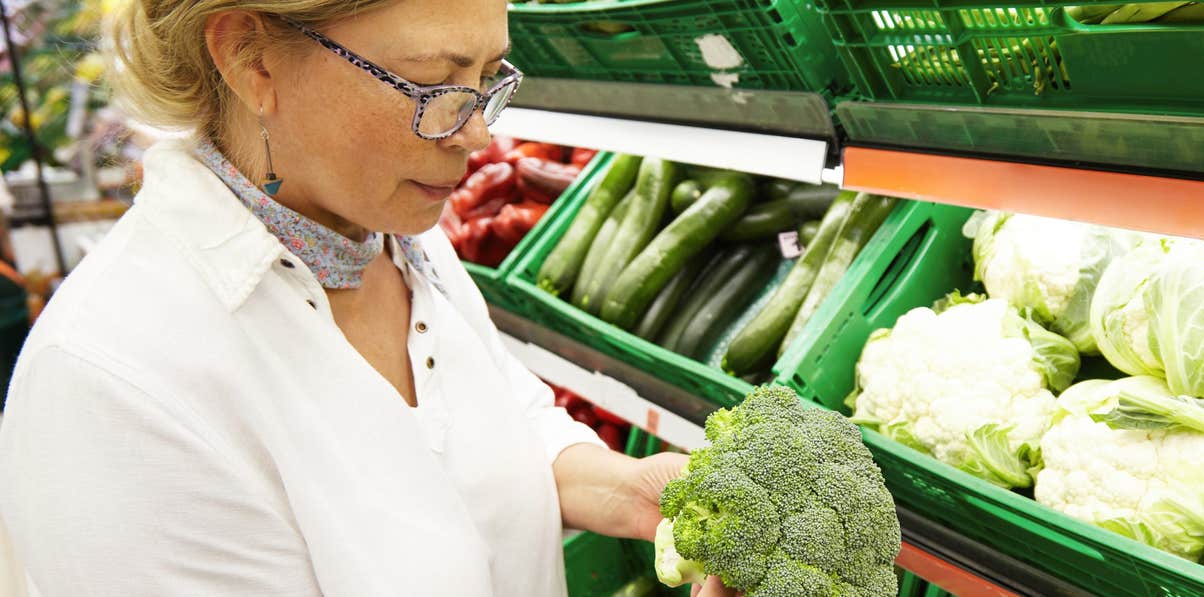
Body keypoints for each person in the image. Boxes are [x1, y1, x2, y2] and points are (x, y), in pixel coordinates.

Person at [0, 2, 735, 595]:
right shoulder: (114, 387)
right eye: (435, 84)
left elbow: (488, 420)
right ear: (251, 58)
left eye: (488, 77)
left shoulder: (393, 234)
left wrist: (617, 485)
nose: (476, 132)